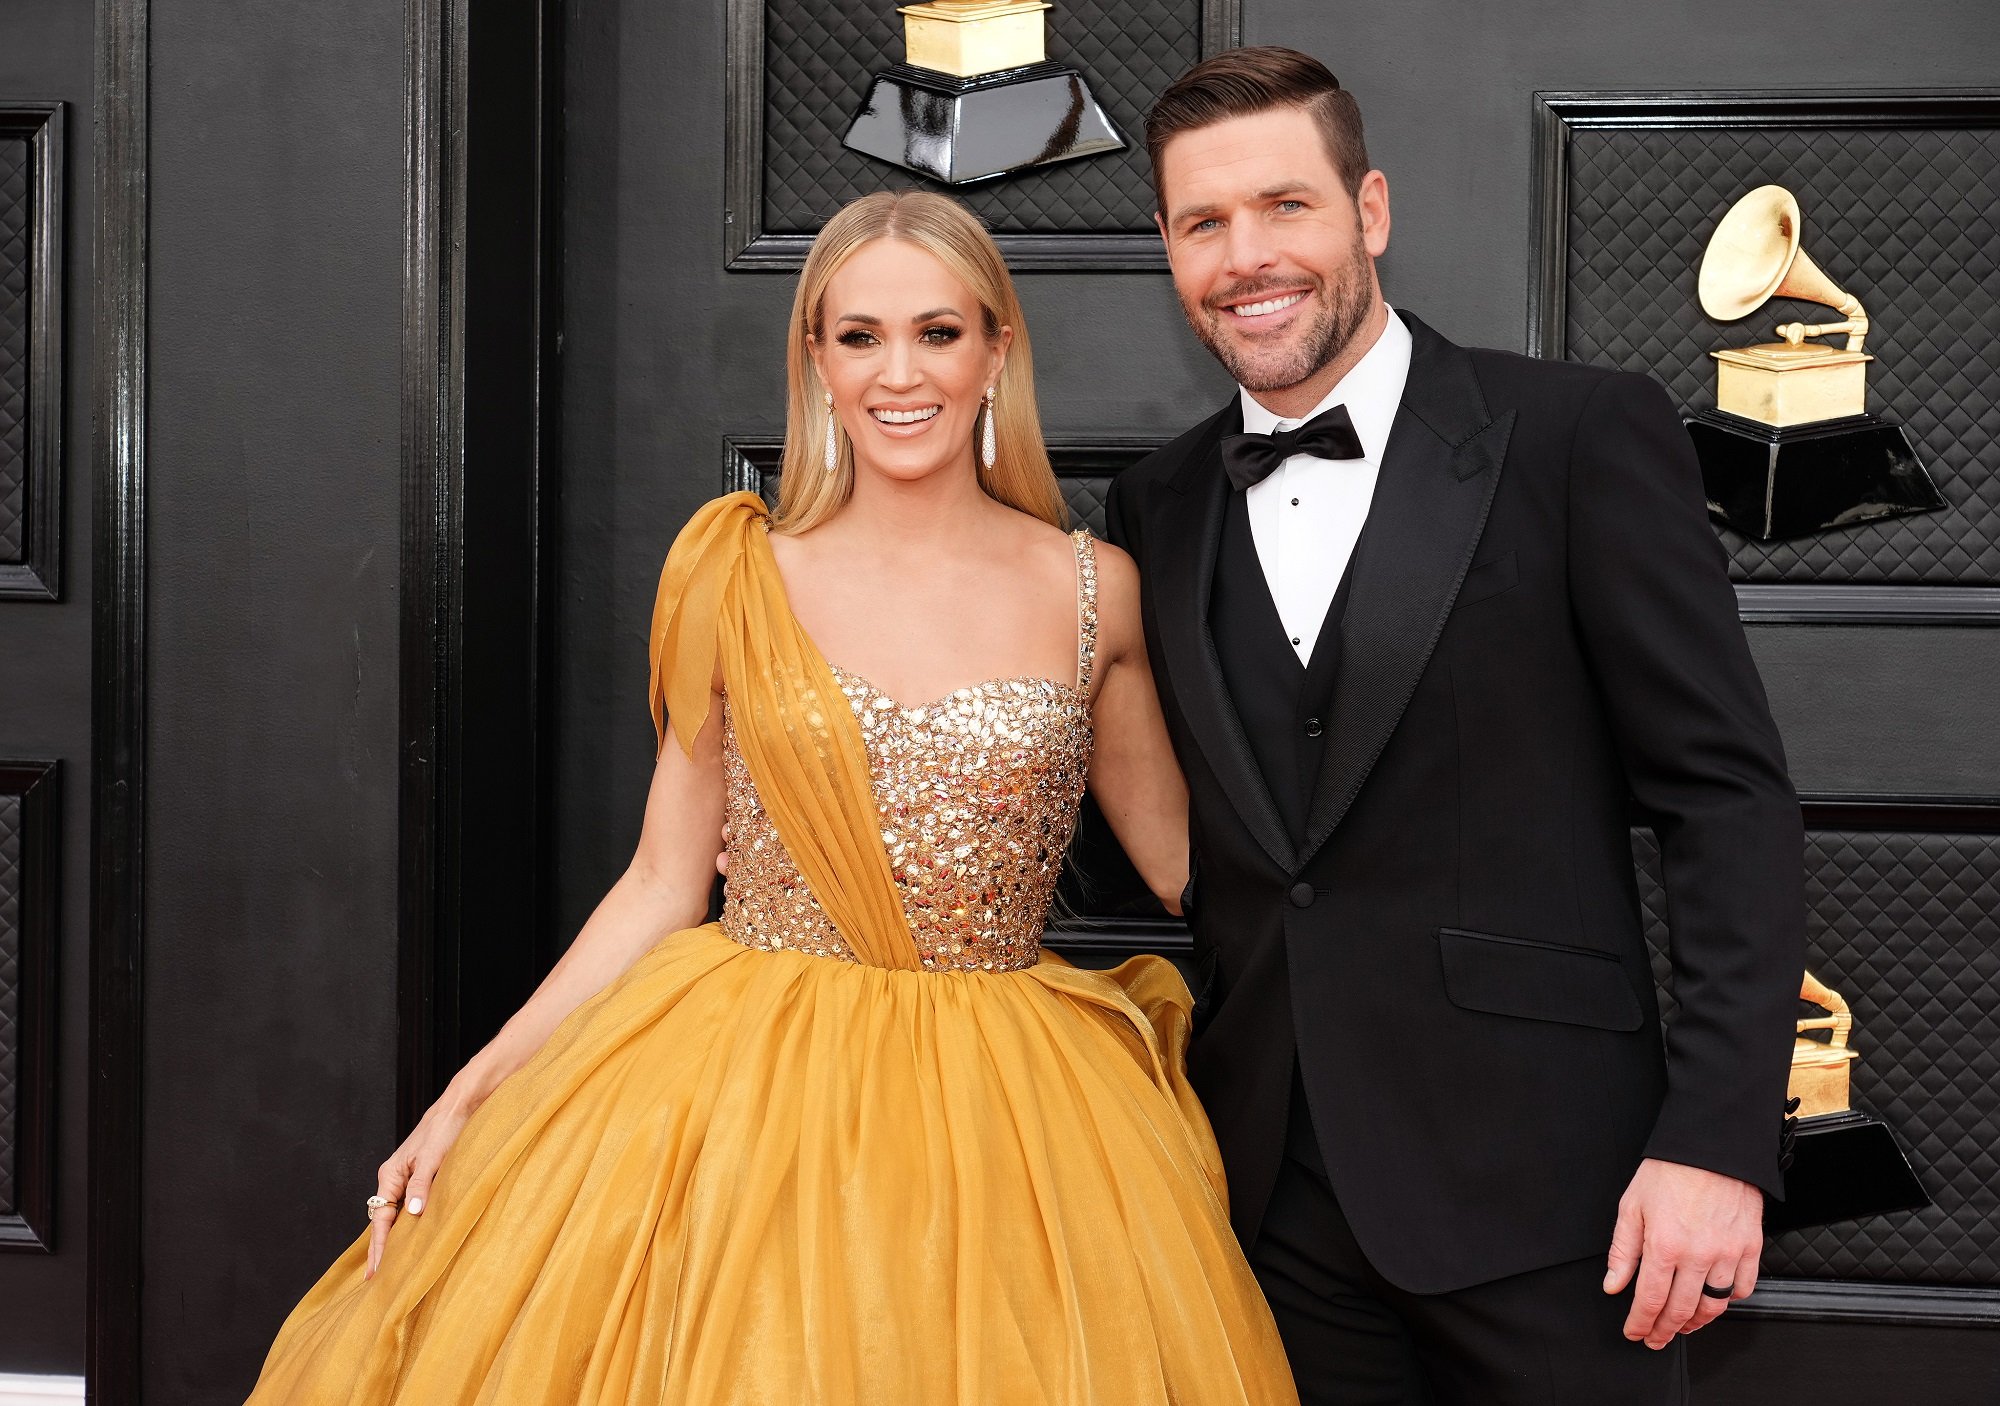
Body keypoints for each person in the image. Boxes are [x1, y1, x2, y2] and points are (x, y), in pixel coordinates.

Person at [244, 189, 1298, 1404]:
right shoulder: (734, 574)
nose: (899, 373)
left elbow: (1194, 872)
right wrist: (469, 1088)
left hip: (1016, 1118)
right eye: (858, 336)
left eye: (937, 332)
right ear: (816, 358)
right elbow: (659, 879)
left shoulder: (1092, 589)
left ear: (997, 348)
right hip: (741, 1096)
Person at [1104, 47, 1806, 1404]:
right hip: (1276, 1204)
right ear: (1169, 246)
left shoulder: (1577, 434)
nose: (1246, 256)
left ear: (1370, 209)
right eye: (1204, 222)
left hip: (1561, 1200)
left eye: (1285, 206)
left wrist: (1719, 1140)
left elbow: (1727, 801)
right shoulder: (1157, 505)